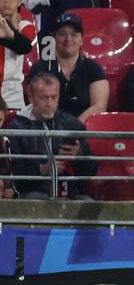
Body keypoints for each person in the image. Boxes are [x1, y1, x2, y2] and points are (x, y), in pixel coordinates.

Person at [4, 68, 95, 198]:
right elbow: (12, 173)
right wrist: (41, 170)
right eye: (44, 98)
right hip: (31, 193)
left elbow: (91, 171)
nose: (49, 103)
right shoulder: (16, 127)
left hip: (69, 194)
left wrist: (80, 156)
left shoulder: (71, 124)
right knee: (36, 199)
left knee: (87, 203)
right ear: (31, 97)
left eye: (54, 97)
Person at [32, 12, 106, 123]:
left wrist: (74, 128)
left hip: (82, 131)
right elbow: (34, 104)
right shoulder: (39, 69)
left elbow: (99, 105)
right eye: (62, 34)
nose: (68, 39)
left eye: (74, 34)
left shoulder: (94, 69)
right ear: (53, 38)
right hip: (47, 129)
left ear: (81, 39)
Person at [0, 0, 34, 111]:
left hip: (12, 97)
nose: (7, 1)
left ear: (20, 0)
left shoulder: (26, 25)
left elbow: (24, 47)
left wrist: (10, 33)